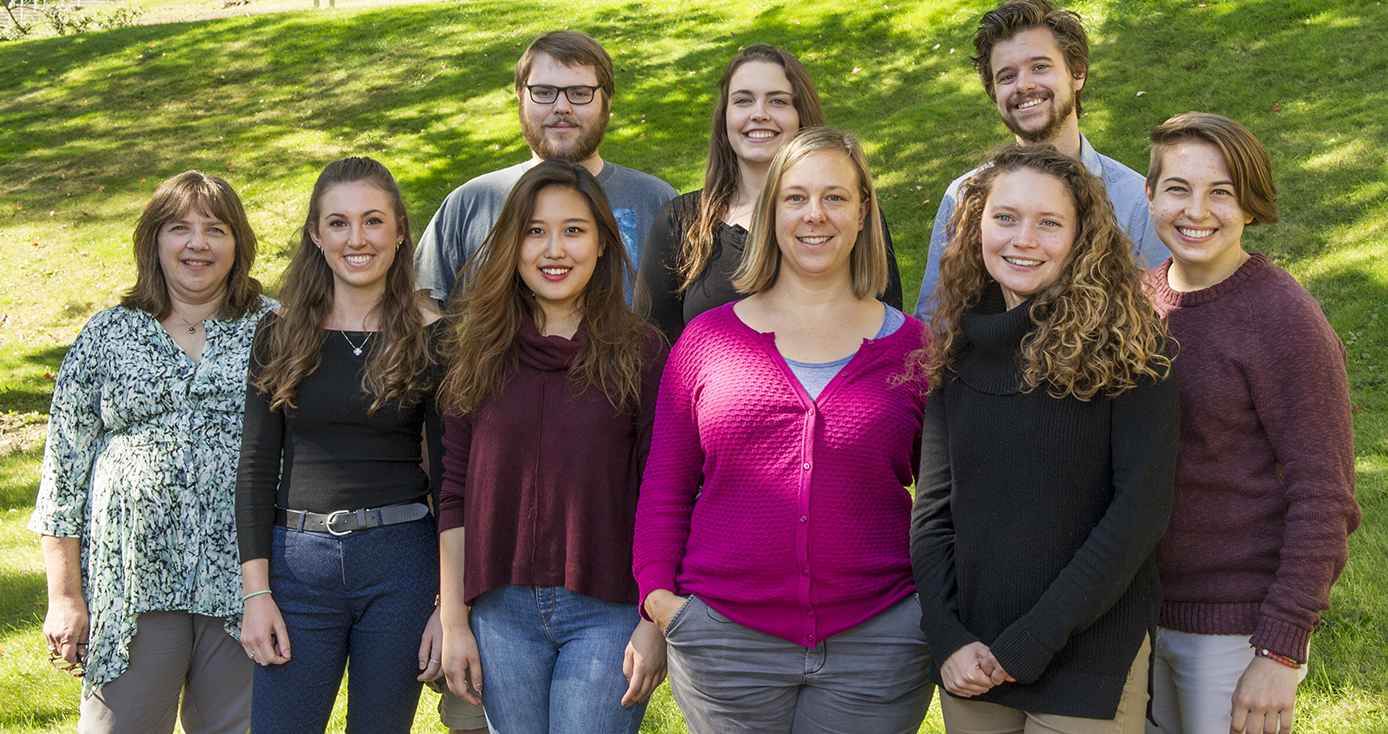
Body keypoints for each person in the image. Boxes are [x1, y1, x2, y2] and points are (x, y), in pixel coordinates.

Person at [634, 127, 933, 734]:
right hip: (724, 642)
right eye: (795, 197)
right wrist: (660, 601)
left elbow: (946, 499)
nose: (814, 215)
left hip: (879, 643)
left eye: (835, 197)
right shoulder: (707, 340)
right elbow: (664, 485)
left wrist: (926, 613)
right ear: (770, 213)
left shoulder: (915, 350)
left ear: (863, 212)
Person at [910, 143, 1178, 733]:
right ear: (977, 225)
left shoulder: (1131, 352)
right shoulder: (958, 350)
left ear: (1083, 237)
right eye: (1005, 217)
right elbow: (931, 514)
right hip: (974, 656)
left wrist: (1031, 642)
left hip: (1087, 654)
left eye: (1049, 222)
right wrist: (948, 635)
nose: (1022, 239)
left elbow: (1137, 515)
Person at [1143, 113, 1361, 734]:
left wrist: (1281, 649)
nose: (1197, 210)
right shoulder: (1139, 301)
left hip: (1237, 631)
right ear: (1151, 195)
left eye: (1221, 192)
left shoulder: (1284, 320)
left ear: (1250, 204)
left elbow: (1326, 498)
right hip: (1136, 616)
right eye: (1178, 188)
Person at [31, 171, 272, 733]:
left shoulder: (276, 328)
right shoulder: (106, 336)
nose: (198, 244)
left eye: (216, 229)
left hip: (244, 584)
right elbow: (62, 476)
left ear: (238, 244)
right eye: (179, 228)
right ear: (153, 241)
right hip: (132, 585)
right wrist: (65, 598)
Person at [435, 160, 668, 734]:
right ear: (512, 244)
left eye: (574, 229)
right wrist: (454, 622)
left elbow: (663, 495)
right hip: (499, 613)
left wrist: (653, 622)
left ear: (601, 243)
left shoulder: (640, 354)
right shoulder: (478, 352)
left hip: (609, 611)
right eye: (535, 230)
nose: (553, 249)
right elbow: (455, 491)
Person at [235, 157, 447, 734]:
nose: (357, 239)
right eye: (339, 223)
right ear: (316, 234)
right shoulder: (280, 334)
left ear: (401, 230)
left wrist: (448, 604)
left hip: (401, 565)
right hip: (296, 569)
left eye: (373, 221)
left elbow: (456, 477)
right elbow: (255, 469)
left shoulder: (436, 334)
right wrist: (257, 594)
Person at [912, 0, 1168, 322]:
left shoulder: (1136, 203)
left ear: (1078, 73)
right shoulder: (964, 197)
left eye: (1040, 67)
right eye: (1007, 76)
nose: (1024, 85)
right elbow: (934, 323)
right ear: (993, 92)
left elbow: (1161, 326)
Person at [635, 44, 904, 343]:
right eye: (743, 100)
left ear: (802, 115)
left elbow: (888, 335)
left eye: (777, 101)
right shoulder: (681, 222)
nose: (759, 114)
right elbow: (651, 355)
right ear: (725, 117)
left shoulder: (842, 216)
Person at [416, 30, 677, 307]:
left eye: (579, 93)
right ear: (521, 97)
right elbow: (421, 309)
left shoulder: (657, 202)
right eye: (543, 92)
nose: (561, 107)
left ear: (608, 99)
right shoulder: (470, 205)